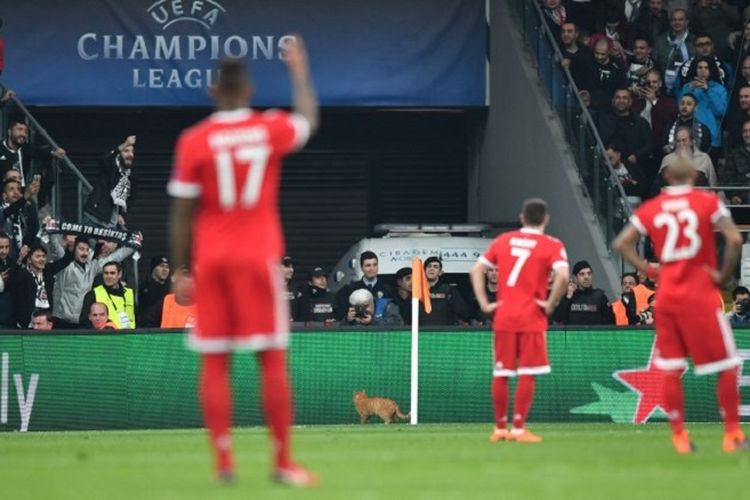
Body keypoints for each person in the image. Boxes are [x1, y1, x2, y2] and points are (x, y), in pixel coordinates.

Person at [167, 36, 320, 486]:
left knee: (215, 363)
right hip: (258, 258)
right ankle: (282, 462)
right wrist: (298, 69)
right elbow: (309, 119)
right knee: (271, 360)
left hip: (211, 261)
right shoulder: (269, 127)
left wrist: (181, 269)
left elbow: (180, 211)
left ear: (213, 92)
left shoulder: (194, 140)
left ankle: (224, 464)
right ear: (249, 92)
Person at [612, 156, 747, 453]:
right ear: (694, 177)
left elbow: (621, 243)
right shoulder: (707, 202)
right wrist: (723, 276)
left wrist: (647, 268)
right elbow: (735, 239)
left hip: (668, 295)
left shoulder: (652, 207)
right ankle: (733, 435)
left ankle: (679, 436)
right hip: (699, 292)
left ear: (668, 177)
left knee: (671, 368)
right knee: (727, 365)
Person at [470, 198, 569, 443]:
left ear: (522, 218)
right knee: (527, 372)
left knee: (501, 372)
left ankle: (499, 429)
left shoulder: (503, 241)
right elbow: (564, 275)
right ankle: (518, 428)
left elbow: (476, 270)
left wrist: (484, 304)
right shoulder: (551, 244)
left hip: (504, 315)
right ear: (546, 219)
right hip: (531, 316)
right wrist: (550, 303)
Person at [82, 135, 136, 229]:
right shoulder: (110, 167)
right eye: (126, 151)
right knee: (84, 243)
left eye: (132, 152)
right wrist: (125, 143)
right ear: (119, 154)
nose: (130, 154)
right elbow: (104, 160)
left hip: (111, 223)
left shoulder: (130, 177)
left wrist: (121, 214)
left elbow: (130, 199)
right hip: (93, 217)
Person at [335, 251, 393, 321]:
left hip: (382, 330)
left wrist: (374, 321)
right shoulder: (350, 289)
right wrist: (347, 318)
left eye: (375, 265)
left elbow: (394, 318)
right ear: (362, 268)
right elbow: (339, 316)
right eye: (368, 265)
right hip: (357, 330)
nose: (372, 268)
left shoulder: (388, 289)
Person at [553, 260, 614, 325]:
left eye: (589, 273)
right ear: (576, 278)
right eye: (582, 274)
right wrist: (568, 297)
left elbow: (610, 322)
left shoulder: (600, 296)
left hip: (594, 335)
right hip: (573, 335)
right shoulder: (568, 297)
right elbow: (557, 318)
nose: (586, 277)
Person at [78, 261, 136, 329]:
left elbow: (136, 317)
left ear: (119, 274)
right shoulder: (93, 294)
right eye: (106, 273)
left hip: (129, 337)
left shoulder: (129, 293)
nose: (109, 276)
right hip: (105, 337)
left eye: (112, 273)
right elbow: (84, 322)